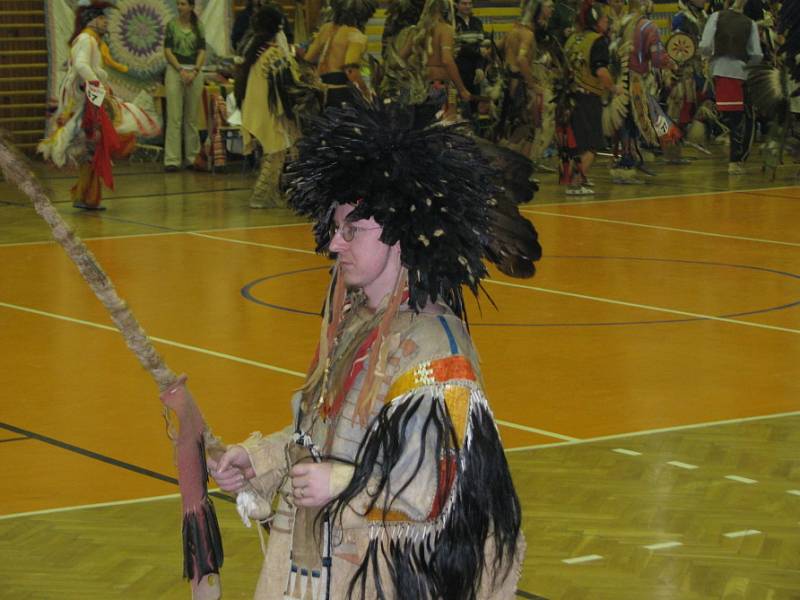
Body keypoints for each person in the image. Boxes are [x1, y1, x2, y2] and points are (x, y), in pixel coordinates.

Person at [204, 98, 541, 600]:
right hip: (318, 568)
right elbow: (320, 432)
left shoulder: (434, 351)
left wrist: (343, 483)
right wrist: (260, 461)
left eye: (353, 230)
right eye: (336, 228)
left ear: (402, 235)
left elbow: (443, 486)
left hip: (382, 579)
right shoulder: (356, 321)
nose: (335, 244)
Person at [37, 1, 160, 210]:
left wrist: (99, 77)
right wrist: (95, 82)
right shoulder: (86, 39)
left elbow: (88, 66)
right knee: (94, 144)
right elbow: (81, 65)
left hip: (88, 96)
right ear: (93, 20)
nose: (106, 23)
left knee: (93, 146)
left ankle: (86, 195)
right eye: (103, 19)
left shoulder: (90, 40)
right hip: (85, 98)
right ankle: (87, 196)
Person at [236, 5, 310, 208]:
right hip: (270, 111)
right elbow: (290, 83)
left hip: (258, 109)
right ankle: (260, 196)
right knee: (275, 153)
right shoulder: (274, 54)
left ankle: (270, 194)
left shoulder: (256, 51)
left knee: (275, 153)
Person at [560, 0, 620, 194]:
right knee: (591, 144)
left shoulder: (573, 39)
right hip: (588, 97)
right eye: (604, 19)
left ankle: (575, 178)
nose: (607, 22)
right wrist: (614, 88)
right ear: (596, 20)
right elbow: (601, 70)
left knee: (574, 143)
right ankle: (576, 182)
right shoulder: (597, 41)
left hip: (568, 97)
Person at [699, 0, 762, 174]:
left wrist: (710, 57)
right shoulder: (750, 23)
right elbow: (756, 54)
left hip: (717, 71)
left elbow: (704, 45)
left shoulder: (716, 16)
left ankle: (716, 131)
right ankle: (735, 161)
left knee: (728, 115)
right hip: (740, 73)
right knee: (742, 119)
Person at [301, 0, 376, 108]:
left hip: (319, 93)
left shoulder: (326, 28)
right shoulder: (356, 36)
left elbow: (308, 58)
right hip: (341, 94)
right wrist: (366, 92)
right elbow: (350, 70)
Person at [163, 0, 207, 172]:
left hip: (194, 72)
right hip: (176, 71)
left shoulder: (199, 26)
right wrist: (180, 70)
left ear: (190, 6)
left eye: (183, 4)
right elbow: (167, 51)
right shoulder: (171, 25)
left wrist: (195, 71)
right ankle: (172, 160)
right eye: (178, 4)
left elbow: (202, 51)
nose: (179, 7)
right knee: (174, 117)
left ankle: (192, 158)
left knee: (191, 118)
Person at [454, 0, 484, 116]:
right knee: (460, 110)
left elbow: (482, 49)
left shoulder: (477, 22)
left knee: (475, 109)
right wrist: (476, 50)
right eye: (464, 3)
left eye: (470, 3)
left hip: (475, 72)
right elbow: (458, 48)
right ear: (456, 5)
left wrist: (480, 67)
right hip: (458, 72)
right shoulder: (452, 23)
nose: (468, 6)